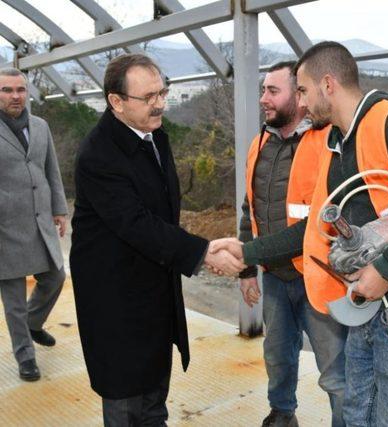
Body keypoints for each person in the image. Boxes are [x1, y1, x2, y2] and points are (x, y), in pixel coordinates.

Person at [213, 41, 388, 426]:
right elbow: (313, 232)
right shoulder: (335, 142)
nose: (302, 103)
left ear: (328, 85)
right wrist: (247, 253)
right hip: (371, 303)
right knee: (358, 413)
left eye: (304, 91)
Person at [70, 54, 241, 426]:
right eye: (147, 97)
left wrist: (196, 248)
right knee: (126, 403)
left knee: (153, 400)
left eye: (162, 91)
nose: (160, 103)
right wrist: (203, 251)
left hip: (152, 290)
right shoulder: (98, 155)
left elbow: (161, 214)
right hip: (115, 299)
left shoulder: (153, 137)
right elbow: (136, 223)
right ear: (116, 102)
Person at [236, 61, 347, 427]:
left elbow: (324, 218)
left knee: (334, 367)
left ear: (299, 98)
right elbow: (249, 208)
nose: (264, 99)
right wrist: (248, 268)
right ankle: (282, 414)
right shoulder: (260, 144)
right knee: (278, 355)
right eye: (263, 90)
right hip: (275, 276)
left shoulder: (328, 142)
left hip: (319, 276)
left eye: (272, 91)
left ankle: (344, 421)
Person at [0, 67, 67, 382]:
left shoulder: (40, 126)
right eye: (7, 90)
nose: (15, 96)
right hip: (4, 228)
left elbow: (50, 169)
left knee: (55, 277)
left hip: (40, 222)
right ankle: (25, 357)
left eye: (20, 90)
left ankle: (34, 323)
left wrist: (59, 208)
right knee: (13, 301)